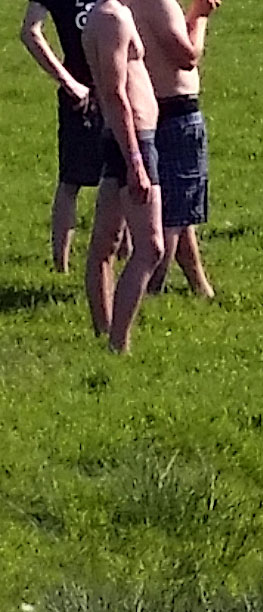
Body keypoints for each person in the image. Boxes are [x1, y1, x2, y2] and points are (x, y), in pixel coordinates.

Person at [81, 0, 162, 353]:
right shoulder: (112, 17)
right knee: (150, 248)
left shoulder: (104, 15)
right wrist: (136, 163)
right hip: (133, 140)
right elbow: (115, 92)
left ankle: (105, 332)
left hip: (122, 137)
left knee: (106, 243)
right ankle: (118, 343)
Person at [130, 0, 217, 299]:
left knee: (178, 208)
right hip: (177, 113)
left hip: (155, 110)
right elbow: (187, 56)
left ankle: (200, 287)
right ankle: (149, 291)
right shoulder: (158, 3)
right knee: (172, 216)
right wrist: (201, 16)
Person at [19, 0, 104, 273]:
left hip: (122, 85)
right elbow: (30, 31)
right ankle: (61, 268)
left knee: (123, 177)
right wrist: (68, 82)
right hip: (81, 94)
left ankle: (119, 260)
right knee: (71, 181)